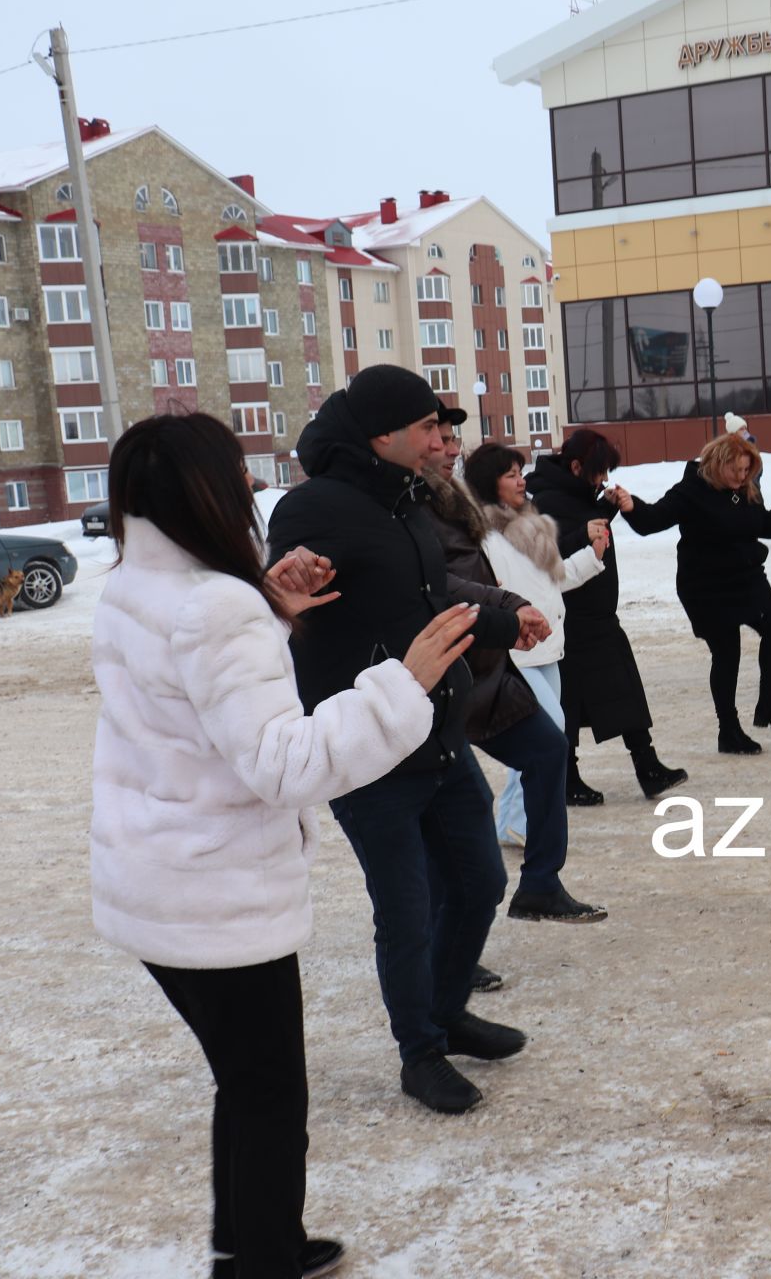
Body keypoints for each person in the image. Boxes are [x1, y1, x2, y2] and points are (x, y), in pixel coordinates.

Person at [91, 413, 474, 1278]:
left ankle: (250, 1243)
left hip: (153, 883)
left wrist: (268, 602)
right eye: (234, 470)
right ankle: (263, 1257)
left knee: (244, 1080)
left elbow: (191, 706)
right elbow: (282, 762)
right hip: (216, 897)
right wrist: (400, 684)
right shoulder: (212, 607)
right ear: (209, 491)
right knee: (268, 1092)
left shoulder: (138, 588)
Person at [267, 364, 539, 1116]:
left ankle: (447, 1012)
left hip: (435, 728)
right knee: (407, 907)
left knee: (481, 881)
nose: (440, 439)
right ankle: (419, 1052)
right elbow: (280, 597)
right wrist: (288, 579)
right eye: (427, 427)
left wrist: (500, 619)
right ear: (381, 434)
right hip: (369, 745)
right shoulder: (312, 507)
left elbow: (433, 595)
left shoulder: (409, 501)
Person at [421, 425, 599, 925]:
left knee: (549, 744)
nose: (520, 480)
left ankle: (536, 874)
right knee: (539, 745)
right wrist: (509, 617)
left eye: (521, 472)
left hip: (536, 643)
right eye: (509, 474)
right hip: (501, 653)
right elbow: (463, 585)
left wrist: (592, 559)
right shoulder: (480, 529)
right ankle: (510, 844)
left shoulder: (525, 524)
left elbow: (550, 583)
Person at [613, 424, 771, 753]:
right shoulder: (691, 490)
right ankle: (729, 730)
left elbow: (764, 524)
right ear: (717, 463)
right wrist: (630, 506)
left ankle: (767, 706)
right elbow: (654, 519)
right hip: (705, 585)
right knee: (727, 651)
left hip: (746, 576)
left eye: (746, 470)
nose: (742, 476)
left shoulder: (746, 490)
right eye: (736, 470)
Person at [524, 428, 686, 805]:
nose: (603, 480)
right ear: (576, 465)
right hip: (570, 618)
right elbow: (545, 554)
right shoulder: (546, 499)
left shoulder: (578, 493)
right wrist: (586, 525)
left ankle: (648, 766)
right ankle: (568, 777)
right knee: (569, 702)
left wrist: (610, 507)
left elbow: (589, 526)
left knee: (624, 688)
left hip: (599, 614)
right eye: (597, 473)